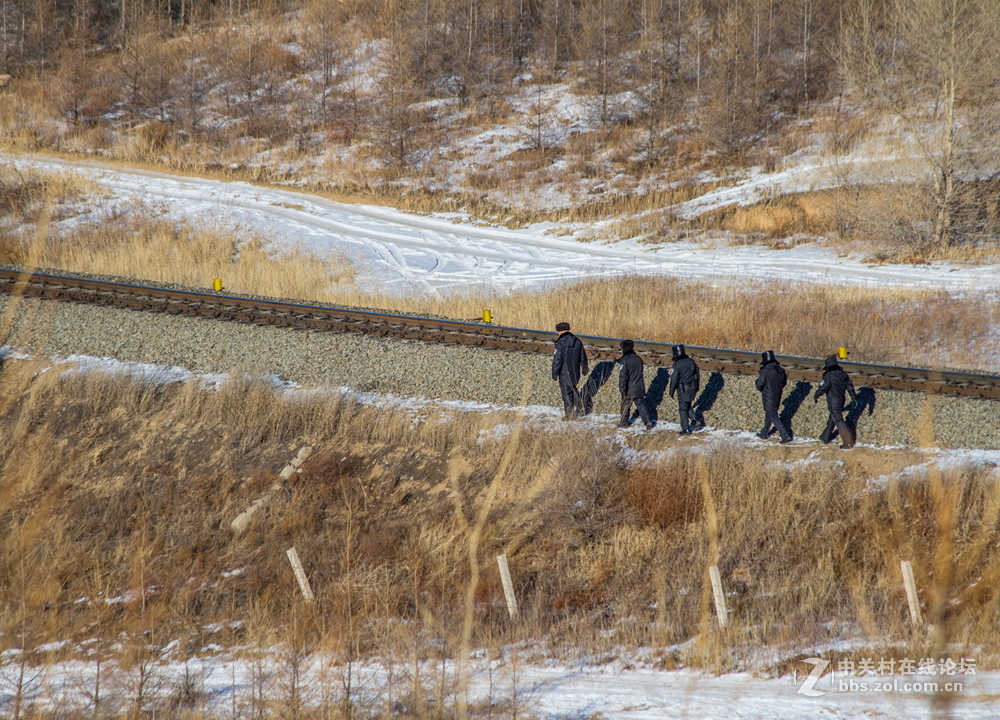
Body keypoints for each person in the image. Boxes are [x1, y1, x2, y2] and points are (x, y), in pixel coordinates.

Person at [814, 355, 858, 449]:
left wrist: (816, 395)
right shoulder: (843, 374)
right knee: (833, 418)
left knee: (839, 420)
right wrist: (854, 398)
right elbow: (850, 388)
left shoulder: (828, 375)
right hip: (841, 399)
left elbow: (823, 387)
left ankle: (848, 442)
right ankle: (825, 437)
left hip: (833, 400)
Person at [552, 322, 589, 419]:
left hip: (564, 372)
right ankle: (581, 407)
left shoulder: (560, 343)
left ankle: (569, 415)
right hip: (575, 371)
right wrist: (584, 368)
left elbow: (557, 359)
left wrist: (555, 372)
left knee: (566, 393)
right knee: (573, 388)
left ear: (560, 331)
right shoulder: (577, 341)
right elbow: (583, 356)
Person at [755, 350, 792, 443]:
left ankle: (785, 435)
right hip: (778, 393)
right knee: (770, 413)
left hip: (768, 395)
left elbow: (759, 384)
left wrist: (763, 389)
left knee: (772, 414)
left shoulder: (765, 370)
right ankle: (764, 433)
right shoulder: (780, 369)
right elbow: (784, 383)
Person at [617, 339, 654, 430]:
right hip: (639, 386)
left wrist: (622, 389)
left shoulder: (624, 360)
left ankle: (624, 423)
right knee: (641, 404)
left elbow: (623, 377)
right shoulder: (638, 358)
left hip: (629, 389)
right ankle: (647, 421)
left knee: (625, 405)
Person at [668, 344, 700, 434]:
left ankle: (685, 429)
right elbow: (697, 375)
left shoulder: (677, 365)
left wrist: (671, 391)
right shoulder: (691, 361)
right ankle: (694, 420)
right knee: (688, 404)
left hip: (683, 389)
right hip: (692, 387)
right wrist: (697, 387)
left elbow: (674, 380)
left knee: (682, 409)